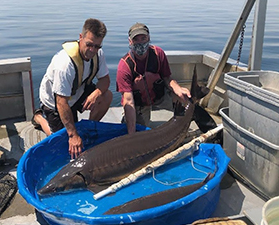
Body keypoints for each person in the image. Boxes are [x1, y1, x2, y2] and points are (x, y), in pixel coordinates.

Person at [33, 18, 112, 159]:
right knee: (61, 141)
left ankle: (89, 126)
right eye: (89, 45)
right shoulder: (64, 65)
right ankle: (39, 118)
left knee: (107, 96)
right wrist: (73, 135)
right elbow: (61, 102)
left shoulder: (98, 54)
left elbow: (105, 80)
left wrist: (97, 93)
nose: (92, 50)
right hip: (55, 102)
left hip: (77, 91)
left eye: (97, 46)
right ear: (81, 37)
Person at [116, 22, 191, 134]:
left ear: (149, 38)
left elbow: (167, 78)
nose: (140, 42)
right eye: (136, 39)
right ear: (130, 41)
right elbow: (128, 100)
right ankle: (130, 121)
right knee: (134, 132)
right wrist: (131, 134)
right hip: (139, 104)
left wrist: (178, 88)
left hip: (159, 96)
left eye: (143, 38)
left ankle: (184, 123)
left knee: (186, 100)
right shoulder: (124, 66)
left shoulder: (158, 53)